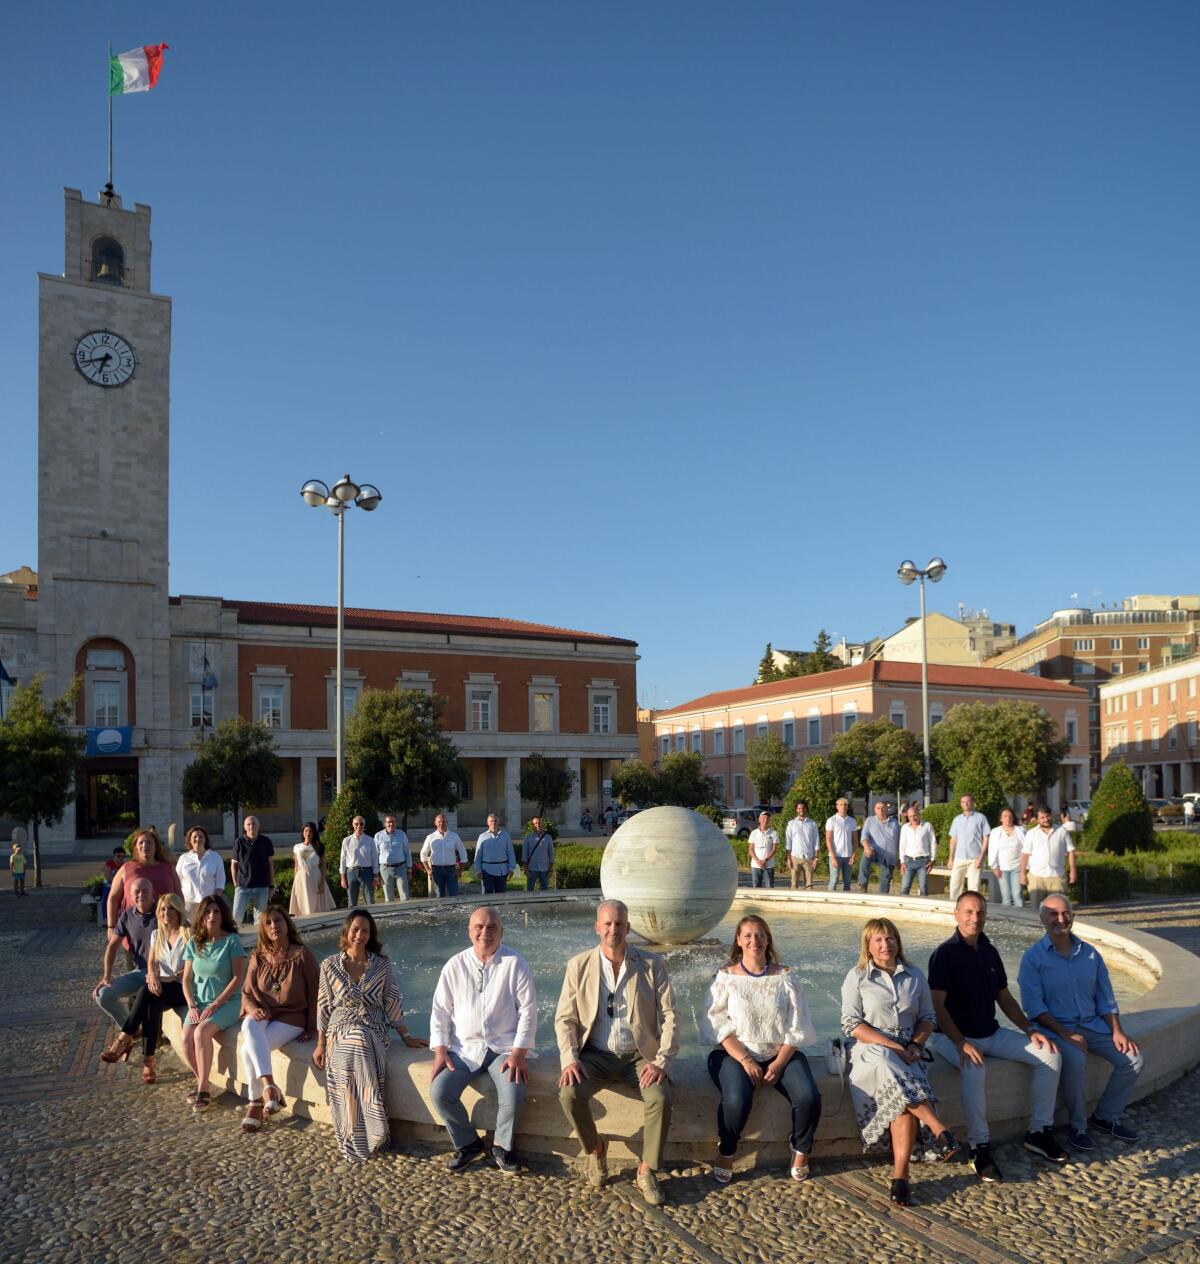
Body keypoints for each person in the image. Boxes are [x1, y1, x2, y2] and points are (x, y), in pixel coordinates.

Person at [928, 892, 1065, 1182]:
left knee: (1050, 1055)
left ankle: (1038, 1132)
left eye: (980, 912)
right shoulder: (944, 954)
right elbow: (937, 1006)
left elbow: (1004, 997)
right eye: (968, 912)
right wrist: (960, 1042)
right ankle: (979, 1147)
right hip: (950, 1038)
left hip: (990, 1033)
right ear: (956, 915)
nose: (974, 918)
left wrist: (1030, 1029)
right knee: (974, 1068)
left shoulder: (990, 951)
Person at [556, 899, 679, 1206]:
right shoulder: (578, 965)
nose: (614, 929)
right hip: (595, 1055)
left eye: (619, 924)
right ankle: (596, 1149)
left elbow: (671, 1016)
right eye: (608, 924)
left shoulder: (651, 964)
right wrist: (570, 1059)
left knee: (660, 1098)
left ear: (628, 928)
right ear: (597, 927)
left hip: (639, 1056)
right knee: (569, 1094)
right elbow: (565, 1019)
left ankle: (646, 1169)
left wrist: (661, 1061)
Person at [840, 917, 961, 1207]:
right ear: (868, 946)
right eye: (878, 939)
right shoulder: (857, 976)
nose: (886, 944)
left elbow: (927, 1018)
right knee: (886, 1062)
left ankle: (901, 1176)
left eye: (890, 938)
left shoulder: (915, 975)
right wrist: (895, 1046)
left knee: (901, 1102)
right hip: (870, 1049)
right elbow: (851, 1024)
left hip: (910, 1050)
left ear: (898, 941)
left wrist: (916, 1044)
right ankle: (938, 1129)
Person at [1018, 895, 1144, 1150]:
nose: (1061, 919)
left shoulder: (1090, 954)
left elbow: (1106, 998)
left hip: (1092, 1025)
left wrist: (1117, 1031)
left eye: (1066, 913)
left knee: (1133, 1059)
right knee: (1075, 1060)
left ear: (1073, 917)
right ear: (1042, 919)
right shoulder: (1033, 958)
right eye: (1053, 914)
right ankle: (1078, 1126)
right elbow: (1034, 1008)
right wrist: (1065, 1034)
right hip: (1055, 1029)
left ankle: (1105, 1116)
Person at [705, 915, 820, 1184]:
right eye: (747, 935)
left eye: (759, 935)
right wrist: (746, 1060)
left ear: (768, 939)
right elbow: (717, 1024)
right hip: (733, 1055)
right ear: (738, 940)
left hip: (780, 1053)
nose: (753, 940)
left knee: (809, 1096)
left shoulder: (785, 977)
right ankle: (727, 1149)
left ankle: (801, 1148)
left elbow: (797, 1025)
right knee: (737, 1099)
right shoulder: (726, 977)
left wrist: (778, 1064)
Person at [429, 906, 537, 1174]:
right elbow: (440, 1011)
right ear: (470, 931)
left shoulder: (515, 963)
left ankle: (502, 1146)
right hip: (465, 1049)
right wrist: (440, 1051)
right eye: (479, 927)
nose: (485, 932)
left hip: (504, 1048)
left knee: (514, 1092)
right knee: (440, 1092)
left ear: (501, 932)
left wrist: (518, 1053)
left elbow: (528, 1010)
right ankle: (468, 1144)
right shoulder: (454, 965)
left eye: (492, 927)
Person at [313, 910, 428, 1161]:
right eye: (355, 929)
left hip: (373, 1026)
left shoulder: (381, 965)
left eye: (365, 930)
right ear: (347, 931)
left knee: (360, 1040)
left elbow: (392, 1001)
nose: (360, 935)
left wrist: (406, 1035)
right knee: (354, 1043)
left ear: (371, 934)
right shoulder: (329, 965)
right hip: (340, 1027)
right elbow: (323, 1006)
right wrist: (320, 1044)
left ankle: (366, 1129)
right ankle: (369, 1128)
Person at [239, 907, 319, 1134]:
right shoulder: (258, 956)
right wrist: (253, 1008)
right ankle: (269, 1087)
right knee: (249, 1024)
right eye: (268, 923)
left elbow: (316, 993)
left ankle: (255, 1103)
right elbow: (246, 993)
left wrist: (313, 1026)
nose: (274, 926)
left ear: (287, 924)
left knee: (246, 1050)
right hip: (265, 1013)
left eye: (278, 920)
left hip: (293, 1018)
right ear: (263, 930)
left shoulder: (302, 954)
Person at [101, 893, 191, 1083]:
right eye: (163, 909)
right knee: (151, 1005)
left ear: (178, 911)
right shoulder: (157, 934)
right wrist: (151, 976)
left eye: (171, 908)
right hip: (163, 986)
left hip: (183, 988)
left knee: (145, 992)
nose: (166, 913)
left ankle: (124, 1038)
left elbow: (195, 966)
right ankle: (148, 1061)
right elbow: (151, 962)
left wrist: (164, 978)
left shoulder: (188, 933)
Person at [180, 893, 247, 1112]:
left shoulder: (232, 941)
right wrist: (191, 1005)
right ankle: (203, 1080)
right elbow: (186, 979)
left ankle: (203, 1089)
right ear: (201, 916)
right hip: (199, 1003)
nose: (212, 916)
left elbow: (237, 978)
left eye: (216, 911)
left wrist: (216, 1004)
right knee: (186, 1039)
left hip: (227, 1003)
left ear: (223, 915)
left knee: (201, 1033)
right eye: (207, 912)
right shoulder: (194, 942)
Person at [93, 878, 158, 1030]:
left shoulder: (163, 913)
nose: (141, 895)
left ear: (153, 893)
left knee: (150, 1003)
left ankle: (137, 1033)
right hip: (140, 972)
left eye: (145, 891)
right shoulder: (127, 915)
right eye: (137, 892)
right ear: (130, 894)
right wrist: (106, 977)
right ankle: (130, 1029)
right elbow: (112, 947)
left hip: (161, 974)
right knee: (103, 995)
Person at [106, 827, 181, 926]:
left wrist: (182, 921)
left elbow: (179, 896)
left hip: (165, 925)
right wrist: (111, 926)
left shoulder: (168, 868)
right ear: (136, 848)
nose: (145, 845)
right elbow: (113, 898)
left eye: (149, 842)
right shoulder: (126, 868)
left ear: (156, 847)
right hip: (133, 926)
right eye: (141, 843)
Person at [1019, 806, 1078, 909]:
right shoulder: (1031, 833)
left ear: (1051, 815)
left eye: (1047, 816)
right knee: (1036, 910)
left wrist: (1073, 871)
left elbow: (1071, 851)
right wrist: (1022, 874)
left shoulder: (1062, 831)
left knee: (1057, 909)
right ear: (1037, 819)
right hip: (1036, 877)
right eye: (1042, 817)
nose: (1046, 819)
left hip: (1057, 876)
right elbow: (1025, 855)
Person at [231, 816, 275, 926]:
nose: (251, 826)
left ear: (258, 826)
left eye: (254, 823)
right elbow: (233, 865)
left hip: (262, 886)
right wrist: (236, 884)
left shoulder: (266, 841)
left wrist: (271, 886)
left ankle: (258, 937)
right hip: (242, 887)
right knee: (236, 917)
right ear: (244, 827)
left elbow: (270, 865)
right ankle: (234, 937)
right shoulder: (239, 842)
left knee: (260, 920)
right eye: (249, 824)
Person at [176, 826, 225, 919]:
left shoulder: (215, 857)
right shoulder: (184, 858)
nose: (198, 839)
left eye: (201, 836)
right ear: (190, 840)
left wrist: (214, 901)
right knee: (190, 927)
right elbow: (177, 881)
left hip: (209, 903)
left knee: (208, 926)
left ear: (205, 839)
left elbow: (220, 882)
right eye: (194, 837)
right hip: (188, 903)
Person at [947, 795, 989, 902]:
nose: (965, 803)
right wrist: (951, 858)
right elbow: (953, 840)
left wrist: (981, 857)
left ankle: (973, 907)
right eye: (963, 802)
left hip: (975, 858)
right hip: (959, 857)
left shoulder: (981, 818)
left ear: (973, 802)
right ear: (961, 804)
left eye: (968, 801)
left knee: (974, 888)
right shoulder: (957, 819)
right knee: (954, 885)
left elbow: (986, 838)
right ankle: (954, 906)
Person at [290, 822, 337, 917]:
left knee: (315, 901)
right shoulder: (297, 847)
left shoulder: (319, 847)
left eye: (310, 831)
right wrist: (295, 883)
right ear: (303, 832)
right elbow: (296, 866)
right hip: (301, 879)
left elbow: (323, 866)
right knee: (303, 902)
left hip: (315, 877)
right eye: (306, 831)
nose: (308, 833)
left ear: (314, 833)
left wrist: (322, 882)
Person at [421, 813, 468, 898]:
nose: (441, 823)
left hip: (451, 870)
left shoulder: (454, 836)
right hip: (436, 870)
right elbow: (423, 854)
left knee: (454, 895)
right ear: (435, 823)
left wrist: (460, 870)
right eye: (439, 821)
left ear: (447, 822)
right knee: (440, 896)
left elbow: (463, 853)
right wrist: (428, 870)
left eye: (443, 821)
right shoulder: (430, 837)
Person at [858, 800, 900, 894]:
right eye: (878, 808)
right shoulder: (870, 820)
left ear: (886, 809)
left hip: (889, 855)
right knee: (866, 855)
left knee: (885, 883)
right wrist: (866, 847)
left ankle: (883, 897)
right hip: (874, 852)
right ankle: (863, 883)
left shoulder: (894, 823)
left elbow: (899, 841)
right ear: (875, 810)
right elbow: (864, 836)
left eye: (883, 808)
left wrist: (900, 857)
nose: (880, 810)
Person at [988, 808, 1026, 908]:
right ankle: (1007, 917)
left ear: (1013, 818)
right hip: (1002, 868)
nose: (1008, 818)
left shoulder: (1021, 830)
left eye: (1010, 816)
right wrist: (994, 867)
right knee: (1006, 896)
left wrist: (1025, 867)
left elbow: (1027, 849)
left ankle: (1021, 916)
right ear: (1001, 819)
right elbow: (992, 850)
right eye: (1005, 816)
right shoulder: (995, 832)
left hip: (1017, 867)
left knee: (1017, 895)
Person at [339, 815, 378, 908]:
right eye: (356, 824)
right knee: (352, 902)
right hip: (351, 872)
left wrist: (376, 876)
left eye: (361, 824)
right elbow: (343, 859)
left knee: (370, 900)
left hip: (367, 872)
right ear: (353, 825)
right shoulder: (346, 841)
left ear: (364, 825)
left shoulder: (370, 841)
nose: (359, 826)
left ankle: (371, 916)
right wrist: (343, 878)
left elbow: (375, 859)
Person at [899, 803, 937, 896]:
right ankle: (903, 905)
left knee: (923, 887)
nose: (913, 818)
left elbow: (933, 842)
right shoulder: (905, 828)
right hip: (908, 861)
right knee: (904, 887)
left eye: (915, 815)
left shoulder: (927, 826)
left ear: (919, 814)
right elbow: (902, 845)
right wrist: (902, 861)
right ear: (907, 817)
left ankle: (924, 904)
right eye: (910, 816)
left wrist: (933, 859)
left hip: (923, 861)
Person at [474, 815, 517, 895]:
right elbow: (478, 855)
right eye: (491, 821)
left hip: (502, 871)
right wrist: (478, 870)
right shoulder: (482, 836)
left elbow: (510, 853)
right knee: (487, 894)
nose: (493, 823)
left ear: (499, 822)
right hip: (486, 870)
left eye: (495, 821)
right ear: (488, 823)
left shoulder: (505, 836)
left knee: (501, 895)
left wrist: (511, 868)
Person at [375, 813, 412, 903]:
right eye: (389, 822)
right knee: (389, 898)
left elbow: (407, 852)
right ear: (385, 823)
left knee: (405, 896)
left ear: (396, 823)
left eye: (393, 822)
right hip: (385, 869)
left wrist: (409, 869)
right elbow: (375, 855)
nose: (391, 824)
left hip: (400, 868)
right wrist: (376, 873)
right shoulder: (378, 836)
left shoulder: (402, 834)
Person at [825, 798, 858, 892]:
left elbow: (855, 840)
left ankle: (846, 900)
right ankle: (829, 899)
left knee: (847, 882)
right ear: (837, 806)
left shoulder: (852, 821)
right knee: (834, 880)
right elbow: (828, 840)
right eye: (841, 804)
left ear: (847, 807)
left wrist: (853, 854)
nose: (843, 806)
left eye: (845, 804)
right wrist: (833, 857)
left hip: (848, 856)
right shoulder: (831, 820)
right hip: (835, 855)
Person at [785, 800, 820, 890]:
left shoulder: (812, 823)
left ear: (806, 809)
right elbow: (788, 842)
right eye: (799, 808)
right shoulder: (791, 823)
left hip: (809, 858)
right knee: (794, 885)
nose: (801, 810)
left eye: (803, 808)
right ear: (796, 810)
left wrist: (816, 858)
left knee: (809, 886)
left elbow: (816, 841)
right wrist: (788, 858)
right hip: (795, 857)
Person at [521, 817, 556, 892]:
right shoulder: (528, 838)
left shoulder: (548, 837)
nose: (537, 825)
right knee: (530, 892)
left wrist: (550, 870)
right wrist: (526, 870)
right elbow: (524, 855)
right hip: (531, 869)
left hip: (544, 869)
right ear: (532, 825)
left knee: (545, 892)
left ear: (542, 824)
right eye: (535, 823)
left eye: (539, 822)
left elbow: (551, 854)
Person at [747, 811, 779, 889]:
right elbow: (750, 849)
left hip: (769, 865)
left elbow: (774, 849)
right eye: (763, 817)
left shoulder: (774, 833)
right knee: (756, 887)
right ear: (759, 819)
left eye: (767, 818)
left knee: (769, 887)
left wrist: (765, 861)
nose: (765, 819)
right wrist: (758, 861)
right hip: (756, 865)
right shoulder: (754, 833)